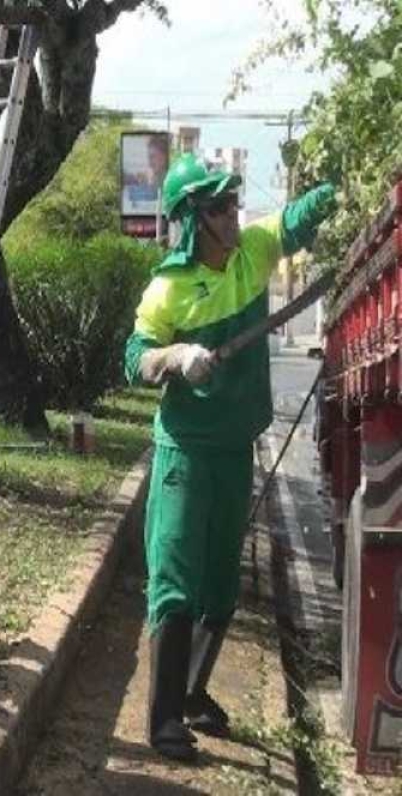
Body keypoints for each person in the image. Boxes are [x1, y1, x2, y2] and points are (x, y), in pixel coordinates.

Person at [124, 152, 336, 761]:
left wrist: (333, 189)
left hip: (234, 450)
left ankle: (194, 692)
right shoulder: (167, 289)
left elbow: (293, 221)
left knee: (220, 584)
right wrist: (175, 357)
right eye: (217, 206)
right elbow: (134, 356)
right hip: (185, 456)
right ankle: (164, 717)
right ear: (193, 219)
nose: (232, 212)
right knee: (176, 581)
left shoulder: (253, 254)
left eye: (232, 201)